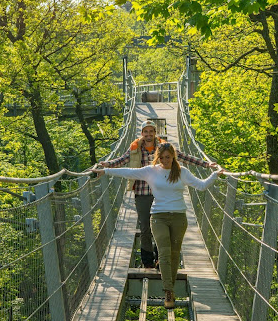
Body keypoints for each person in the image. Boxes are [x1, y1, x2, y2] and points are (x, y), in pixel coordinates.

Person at [94, 142, 223, 308]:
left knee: (175, 254)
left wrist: (215, 174)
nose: (165, 160)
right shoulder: (151, 171)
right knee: (164, 252)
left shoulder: (182, 172)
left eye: (168, 157)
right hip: (158, 216)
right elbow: (128, 171)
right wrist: (106, 170)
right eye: (161, 158)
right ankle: (168, 291)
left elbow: (201, 186)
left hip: (179, 217)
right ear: (157, 157)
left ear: (173, 157)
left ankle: (170, 283)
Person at [98, 120, 217, 268]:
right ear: (142, 133)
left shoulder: (163, 148)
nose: (148, 134)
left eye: (151, 131)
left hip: (161, 192)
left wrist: (206, 164)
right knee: (145, 228)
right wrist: (108, 165)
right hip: (142, 192)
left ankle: (160, 258)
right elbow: (123, 161)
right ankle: (147, 261)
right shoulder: (135, 148)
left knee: (159, 230)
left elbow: (183, 157)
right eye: (145, 132)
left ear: (155, 133)